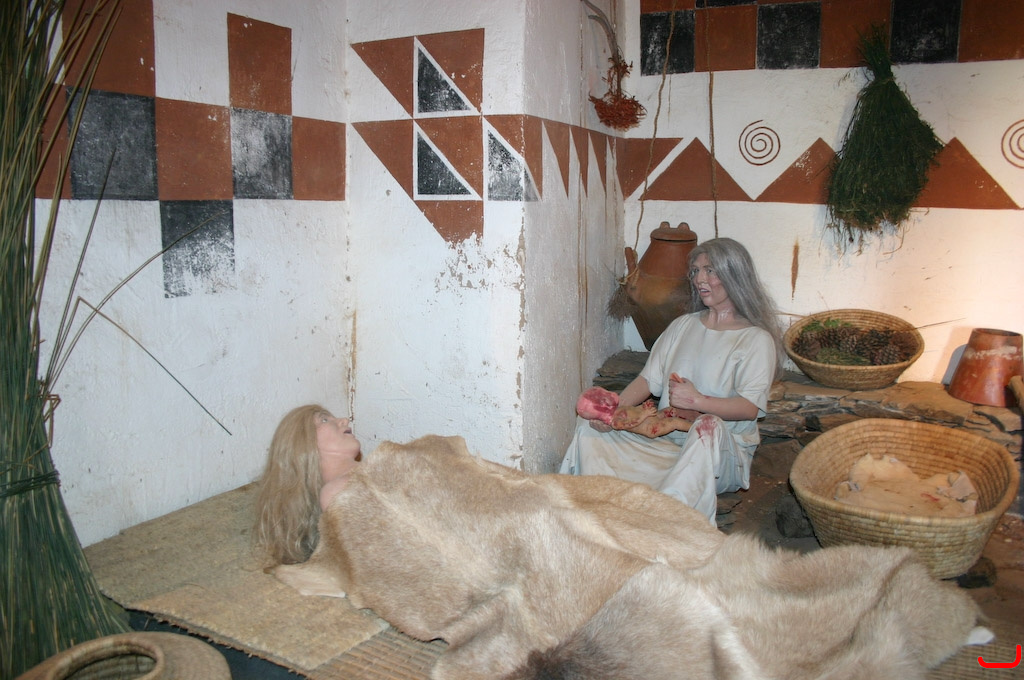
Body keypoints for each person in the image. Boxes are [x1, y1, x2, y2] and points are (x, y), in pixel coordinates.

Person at [560, 237, 784, 524]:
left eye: (710, 270)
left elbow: (750, 408)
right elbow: (647, 380)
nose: (700, 279)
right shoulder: (683, 326)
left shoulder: (756, 340)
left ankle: (670, 518)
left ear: (735, 274)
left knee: (708, 425)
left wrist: (698, 401)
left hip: (715, 452)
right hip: (664, 437)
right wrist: (611, 412)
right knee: (588, 426)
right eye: (696, 271)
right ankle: (593, 507)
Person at [252, 404, 360, 566]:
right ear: (303, 442)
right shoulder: (339, 492)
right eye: (324, 420)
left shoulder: (373, 470)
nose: (344, 420)